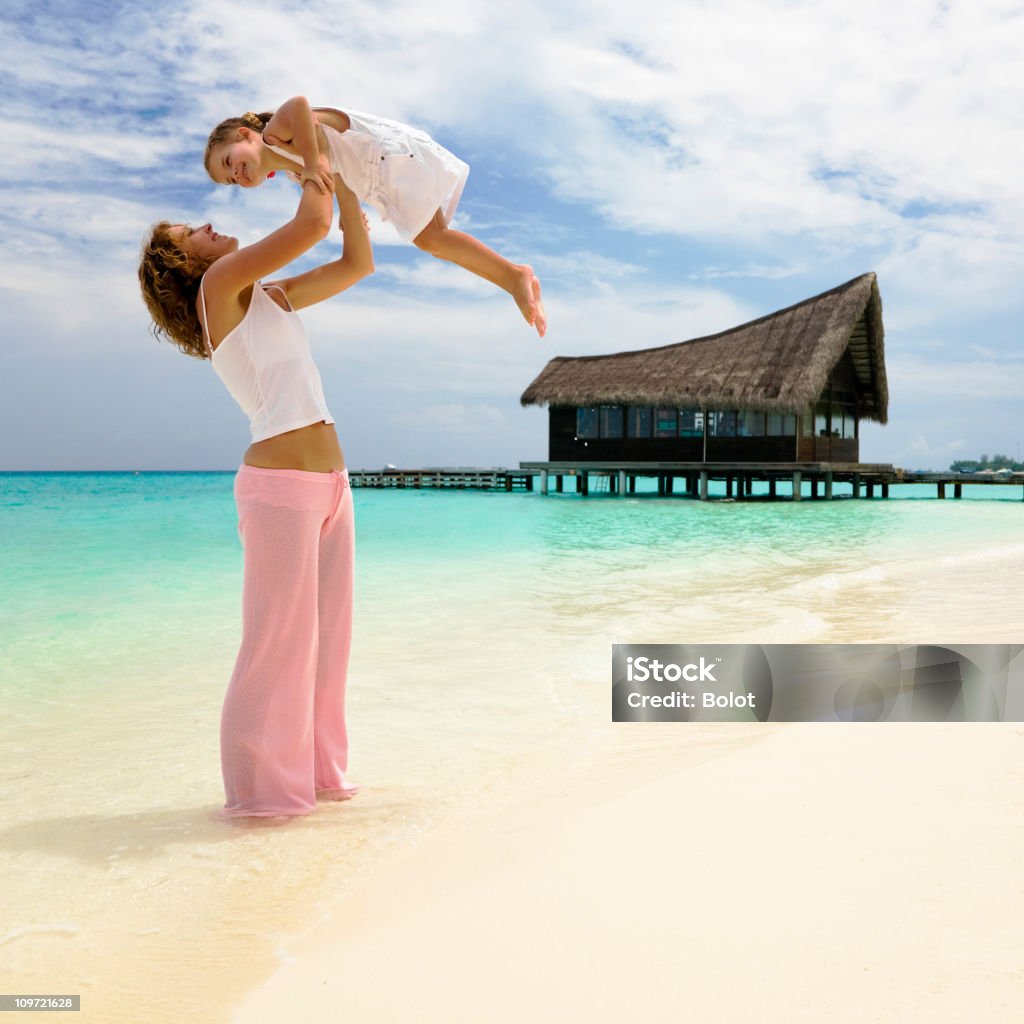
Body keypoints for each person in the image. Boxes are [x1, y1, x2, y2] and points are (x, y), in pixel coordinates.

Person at [138, 171, 373, 820]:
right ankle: (258, 801)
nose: (210, 228)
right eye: (194, 234)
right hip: (280, 491)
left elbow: (357, 260)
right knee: (275, 647)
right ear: (184, 265)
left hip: (332, 488)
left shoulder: (269, 299)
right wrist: (314, 160)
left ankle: (319, 780)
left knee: (329, 644)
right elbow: (309, 226)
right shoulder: (219, 290)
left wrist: (348, 183)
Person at [203, 96, 547, 337]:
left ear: (245, 135)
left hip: (386, 155)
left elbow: (299, 107)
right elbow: (339, 176)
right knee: (432, 240)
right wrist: (346, 210)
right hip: (376, 178)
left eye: (229, 161)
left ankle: (513, 275)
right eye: (231, 179)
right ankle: (513, 276)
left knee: (432, 238)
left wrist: (314, 163)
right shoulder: (297, 173)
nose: (236, 174)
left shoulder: (275, 133)